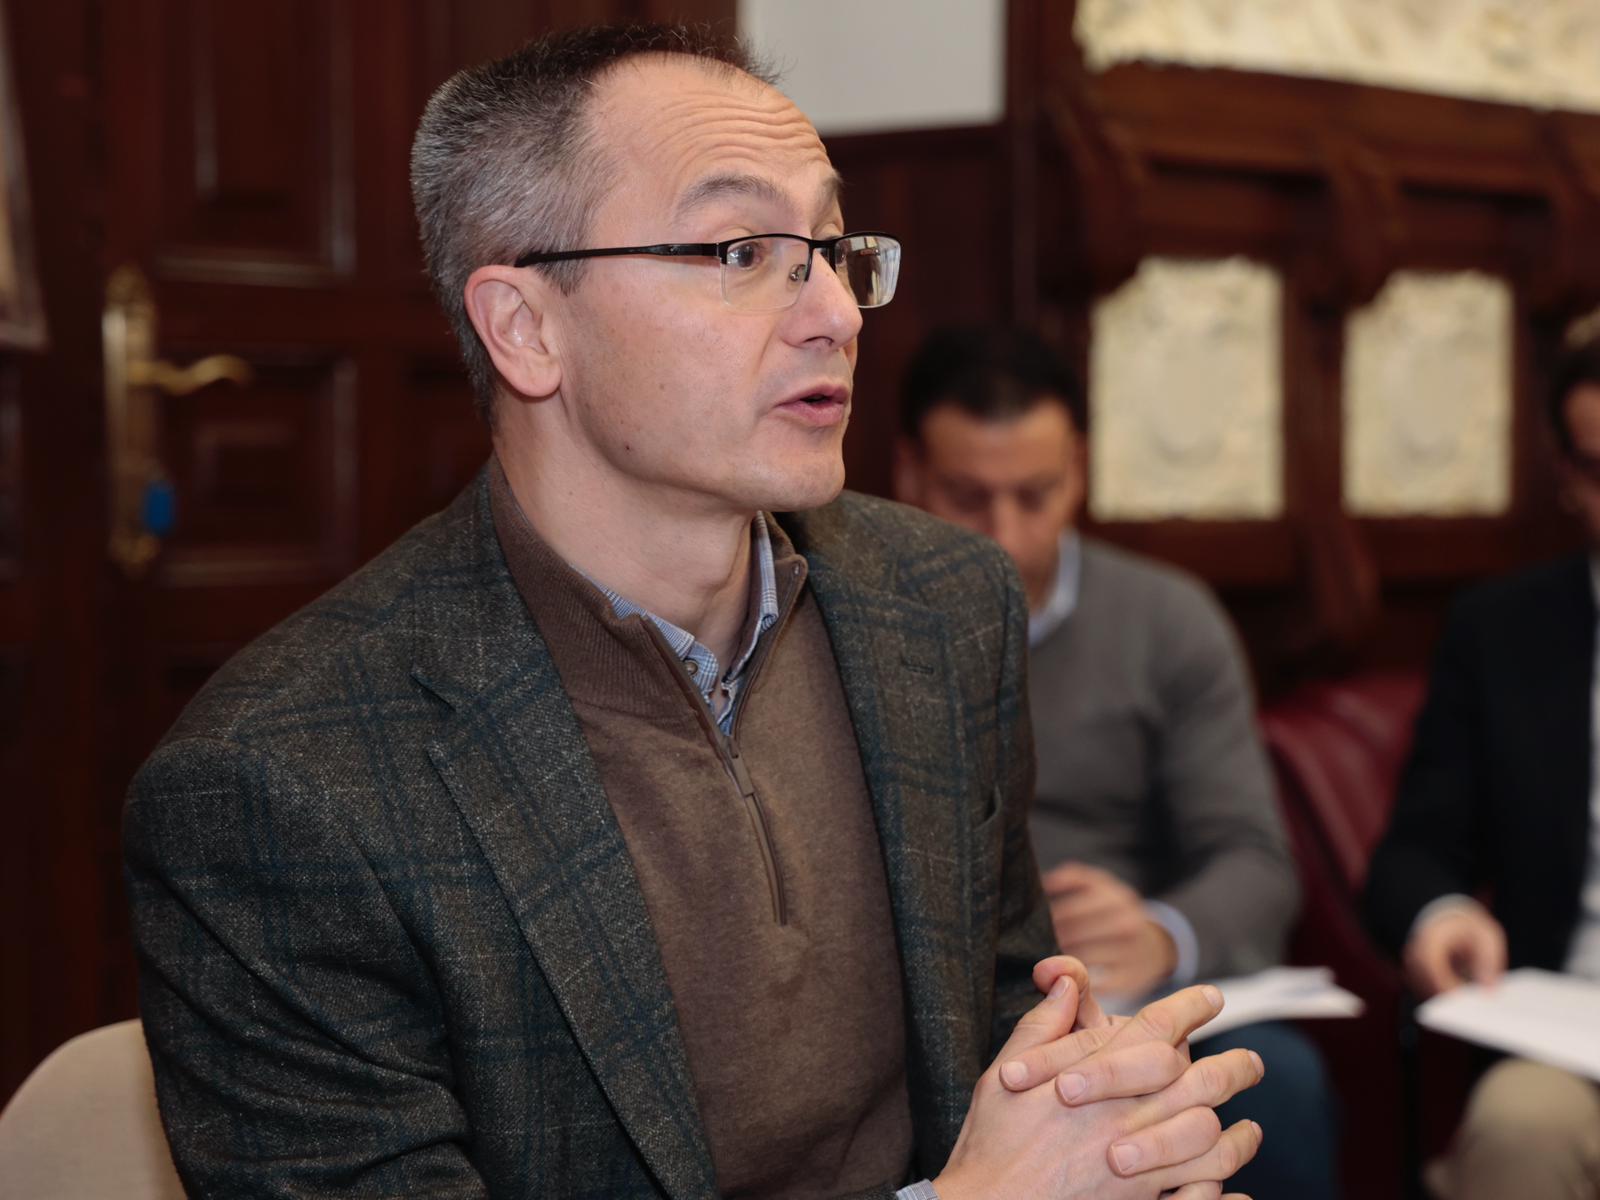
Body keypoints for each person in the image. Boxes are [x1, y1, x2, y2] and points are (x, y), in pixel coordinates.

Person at [123, 25, 1266, 1200]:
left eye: (831, 248)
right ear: (525, 328)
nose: (837, 313)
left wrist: (1121, 1140)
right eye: (740, 251)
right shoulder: (281, 785)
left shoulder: (939, 604)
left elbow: (1011, 1036)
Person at [894, 325, 1339, 1200]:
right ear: (909, 474)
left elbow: (1256, 860)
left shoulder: (1167, 620)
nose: (1006, 534)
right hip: (939, 1001)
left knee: (1278, 1084)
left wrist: (1158, 935)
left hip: (1125, 996)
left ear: (1081, 470)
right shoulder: (852, 617)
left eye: (1036, 494)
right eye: (968, 497)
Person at [1364, 334, 1600, 1200]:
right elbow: (1413, 855)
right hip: (1573, 1039)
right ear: (1568, 477)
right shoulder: (1503, 634)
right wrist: (1444, 914)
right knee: (1517, 1130)